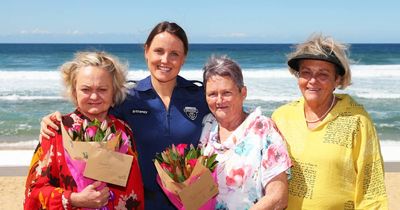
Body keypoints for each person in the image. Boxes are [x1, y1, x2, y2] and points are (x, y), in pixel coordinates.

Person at [39, 21, 209, 210]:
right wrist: (55, 121)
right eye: (159, 51)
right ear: (146, 51)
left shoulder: (201, 97)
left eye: (174, 54)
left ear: (184, 57)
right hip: (140, 204)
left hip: (192, 205)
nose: (165, 60)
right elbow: (91, 114)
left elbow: (230, 123)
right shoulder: (126, 98)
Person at [271, 34, 388, 209]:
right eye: (306, 72)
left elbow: (371, 188)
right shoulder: (280, 117)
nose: (312, 80)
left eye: (323, 74)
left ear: (338, 79)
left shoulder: (357, 121)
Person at [24, 51, 144, 209]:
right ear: (74, 92)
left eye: (102, 89)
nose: (94, 97)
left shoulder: (123, 131)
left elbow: (135, 192)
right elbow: (33, 191)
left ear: (114, 92)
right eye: (86, 90)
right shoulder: (56, 130)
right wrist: (73, 199)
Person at [199, 55, 292, 210]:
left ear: (243, 93)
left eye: (227, 92)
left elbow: (278, 197)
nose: (219, 100)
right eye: (212, 94)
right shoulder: (207, 126)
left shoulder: (263, 129)